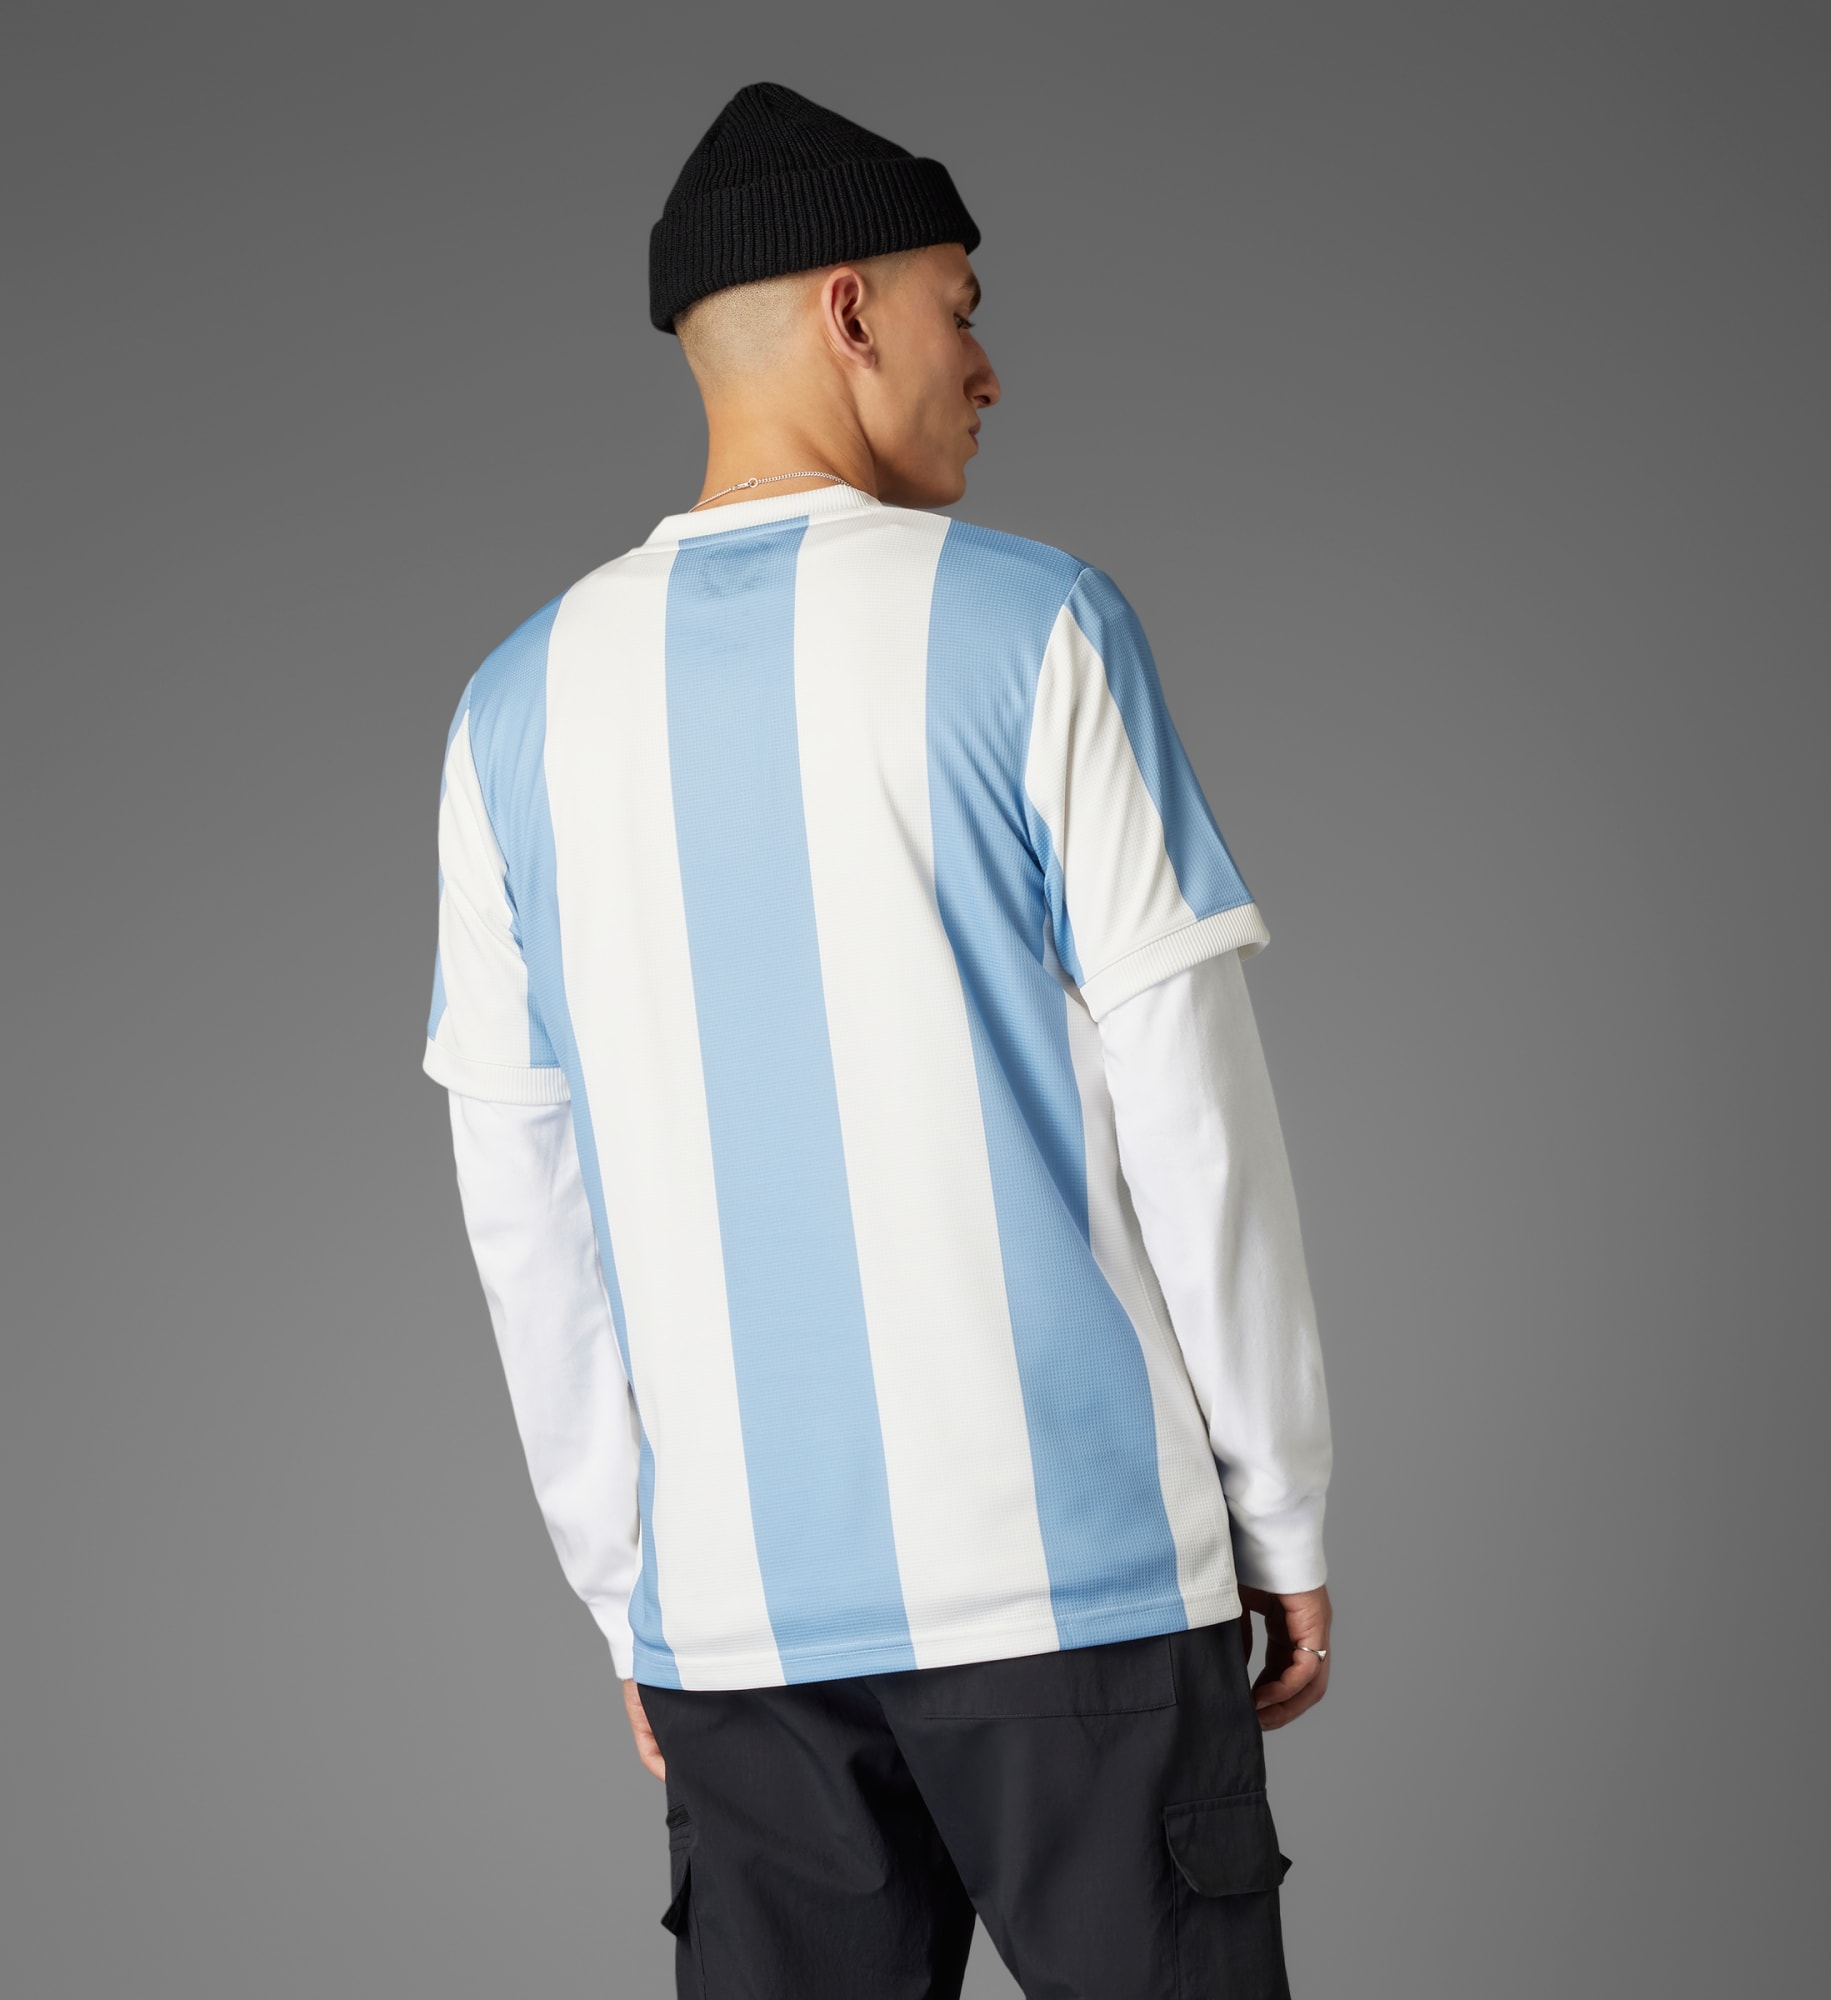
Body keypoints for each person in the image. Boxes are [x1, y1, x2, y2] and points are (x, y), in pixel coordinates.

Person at [424, 79, 1333, 2000]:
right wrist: (1278, 1507)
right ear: (850, 310)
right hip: (1085, 1591)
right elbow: (1196, 1113)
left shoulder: (511, 712)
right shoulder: (1040, 626)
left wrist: (634, 1592)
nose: (988, 369)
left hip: (738, 1632)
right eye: (960, 307)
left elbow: (527, 1218)